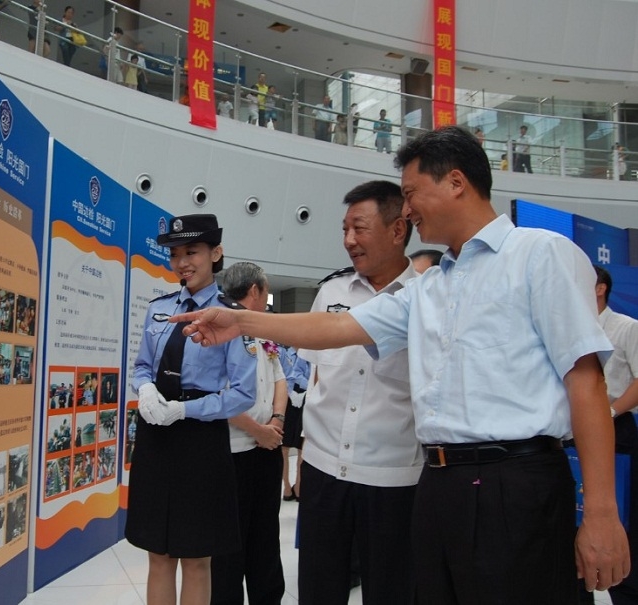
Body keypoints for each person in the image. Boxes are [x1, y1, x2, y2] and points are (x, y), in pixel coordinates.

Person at [175, 126, 630, 603]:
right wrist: (241, 320)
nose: (407, 210)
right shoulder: (429, 288)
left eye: (411, 194)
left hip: (513, 482)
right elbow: (339, 327)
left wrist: (601, 512)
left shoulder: (540, 255)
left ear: (456, 182)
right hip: (437, 485)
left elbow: (586, 383)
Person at [296, 180, 421, 605]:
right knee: (319, 588)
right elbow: (318, 377)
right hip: (324, 469)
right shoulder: (332, 292)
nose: (349, 240)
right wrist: (306, 450)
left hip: (393, 478)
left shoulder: (425, 298)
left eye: (360, 228)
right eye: (345, 229)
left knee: (391, 591)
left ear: (398, 229)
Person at [125, 213, 257, 605]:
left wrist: (187, 411)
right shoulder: (159, 308)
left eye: (192, 252)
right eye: (175, 254)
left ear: (216, 253)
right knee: (158, 554)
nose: (182, 262)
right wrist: (145, 388)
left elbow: (244, 393)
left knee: (197, 559)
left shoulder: (232, 316)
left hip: (201, 439)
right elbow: (142, 366)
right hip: (156, 438)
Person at [210, 262, 288, 605]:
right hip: (232, 452)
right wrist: (258, 430)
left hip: (266, 449)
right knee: (229, 543)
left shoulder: (262, 329)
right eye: (266, 291)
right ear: (256, 290)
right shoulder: (218, 327)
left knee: (266, 534)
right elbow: (214, 394)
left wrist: (277, 420)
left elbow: (280, 378)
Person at [595, 265, 638, 605]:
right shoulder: (570, 328)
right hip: (573, 429)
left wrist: (609, 413)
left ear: (600, 289)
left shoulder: (626, 327)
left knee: (622, 512)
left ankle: (627, 588)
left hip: (616, 425)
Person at [280, 347, 308, 501]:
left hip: (307, 400)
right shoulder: (283, 351)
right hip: (287, 399)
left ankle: (299, 486)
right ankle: (286, 487)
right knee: (284, 447)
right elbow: (287, 375)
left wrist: (309, 389)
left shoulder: (311, 351)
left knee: (302, 447)